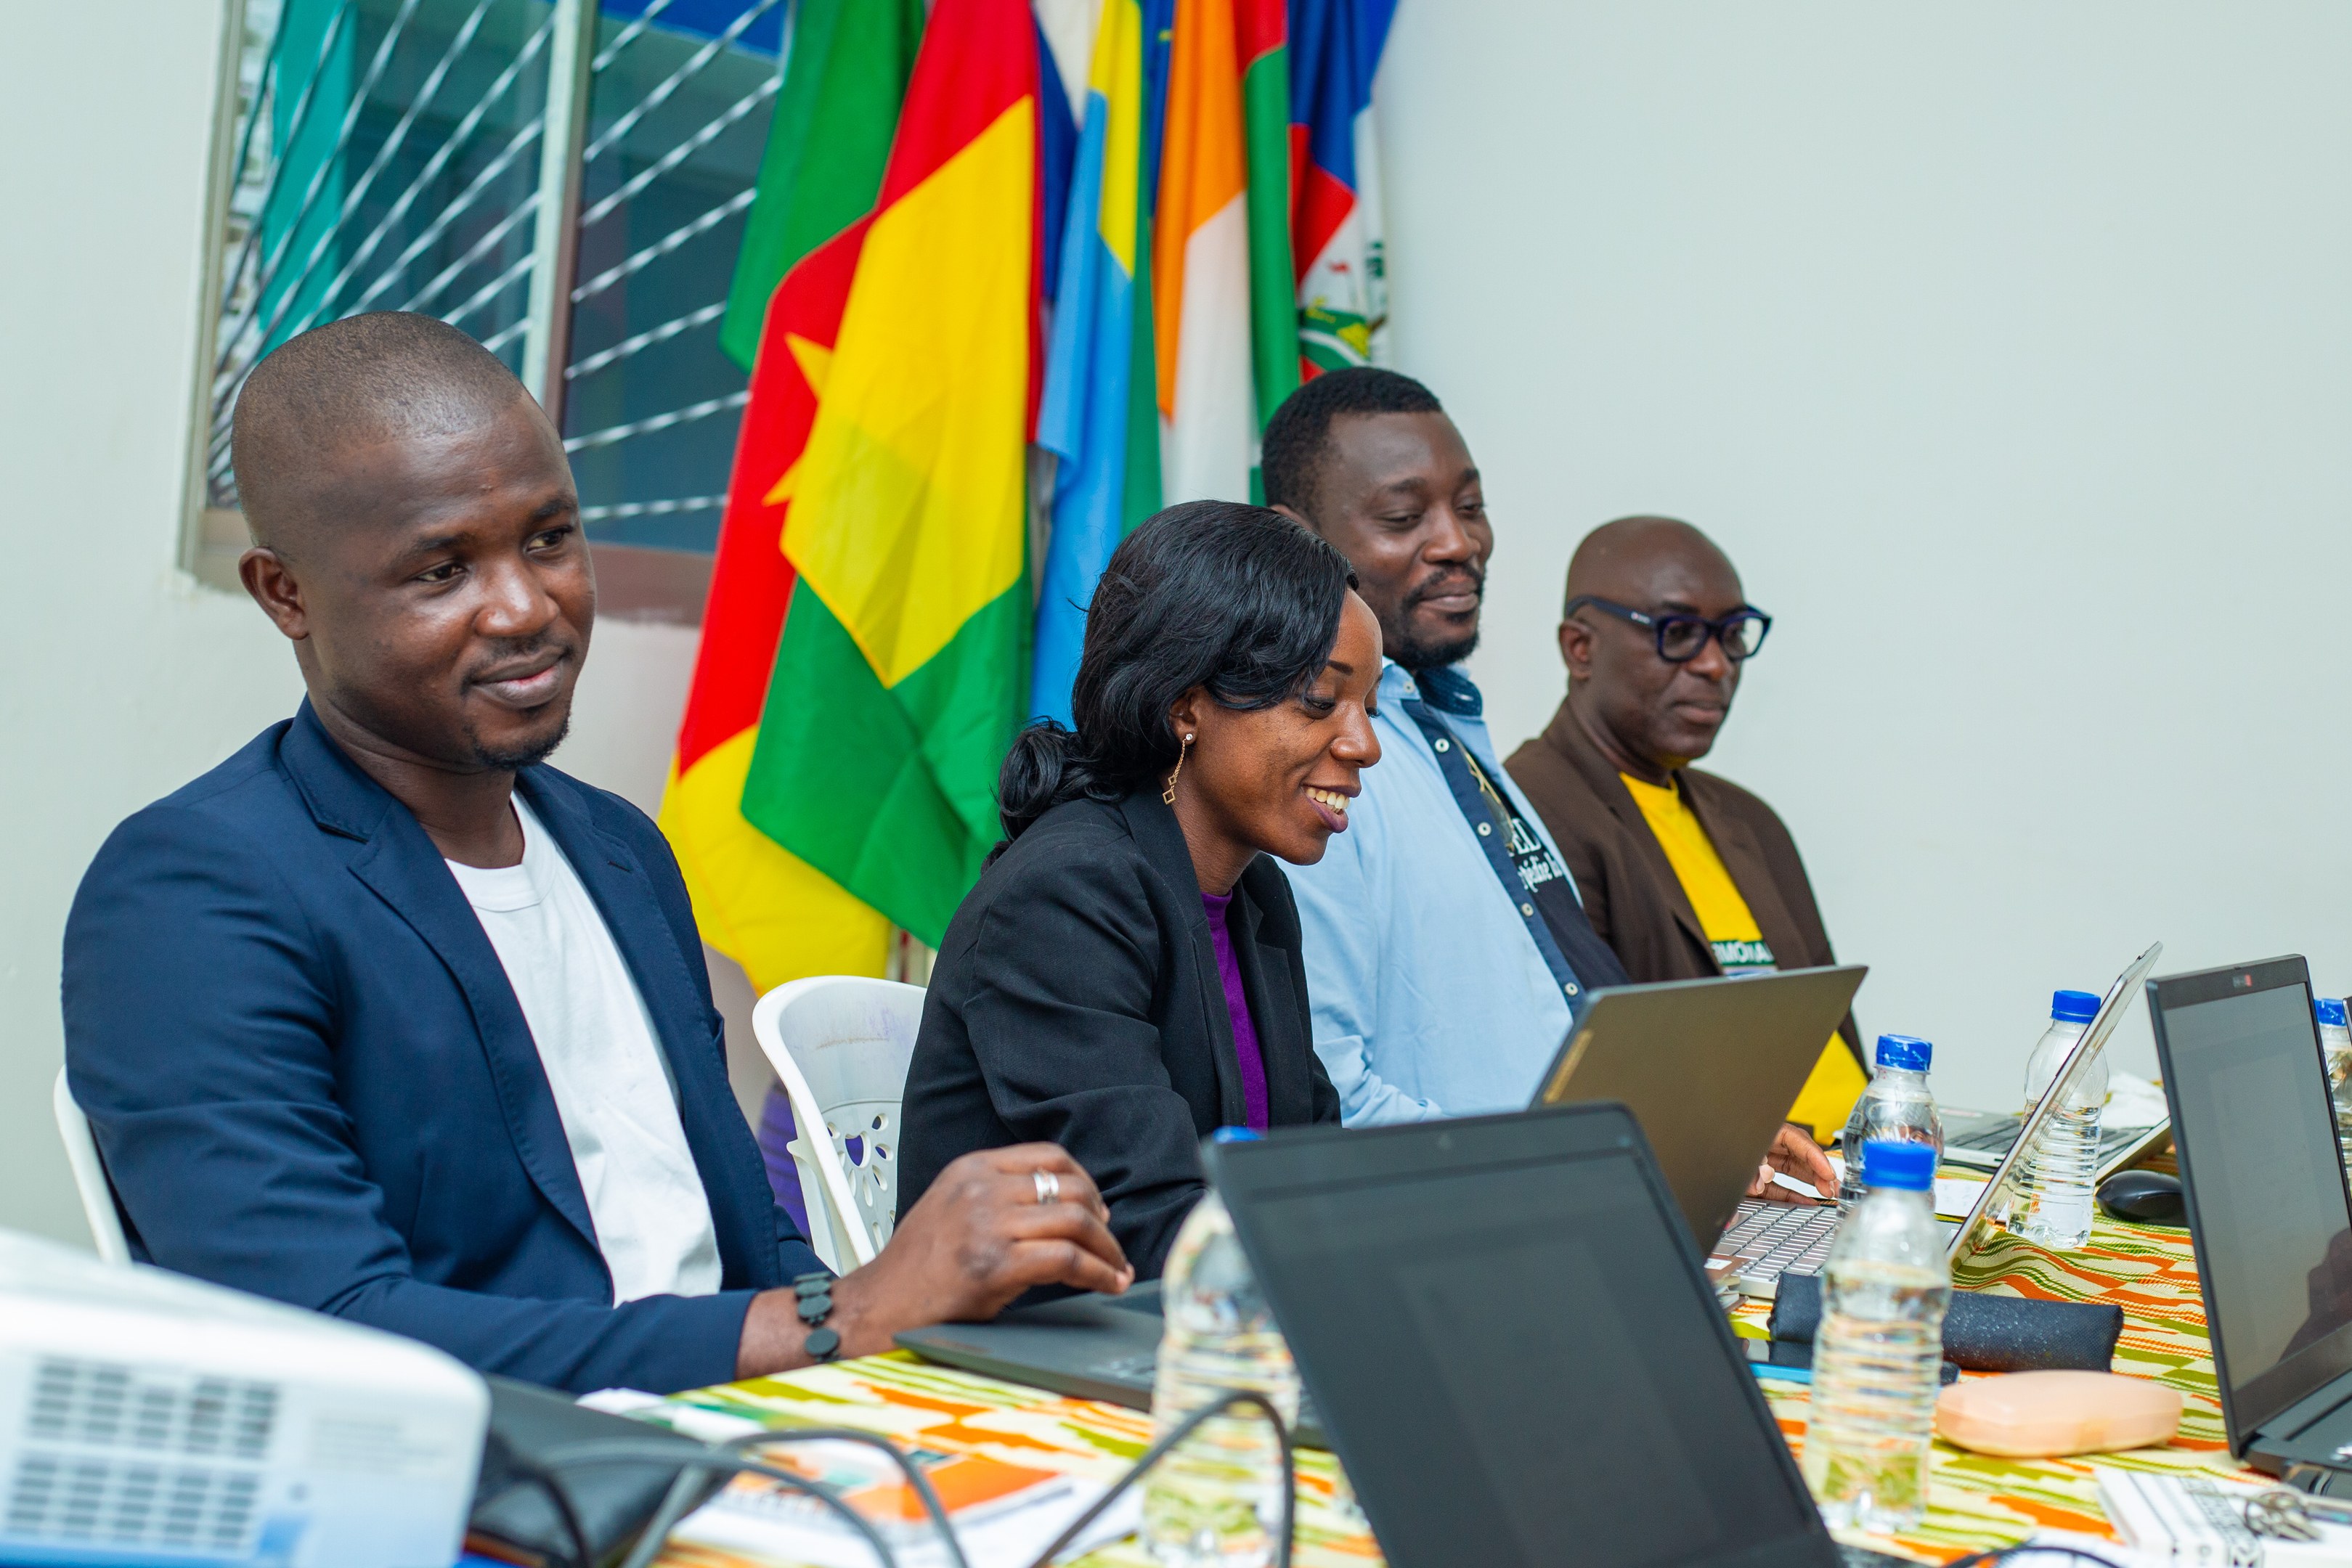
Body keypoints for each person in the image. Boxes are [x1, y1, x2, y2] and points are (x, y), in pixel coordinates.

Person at [60, 313, 1130, 1398]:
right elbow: (323, 1332)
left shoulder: (618, 850)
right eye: (442, 570)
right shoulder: (195, 894)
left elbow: (737, 1234)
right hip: (502, 1470)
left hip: (748, 1440)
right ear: (284, 593)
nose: (527, 608)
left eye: (548, 539)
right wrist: (836, 1318)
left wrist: (885, 1345)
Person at [1264, 369, 1834, 1202]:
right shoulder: (1314, 766)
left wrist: (1692, 1134)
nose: (1457, 542)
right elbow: (1330, 1100)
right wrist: (1566, 1177)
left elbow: (1544, 1033)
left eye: (1469, 506)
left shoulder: (1447, 731)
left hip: (1581, 1201)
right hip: (1484, 1222)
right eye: (1402, 517)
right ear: (1297, 539)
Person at [897, 504, 1362, 1280]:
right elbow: (1142, 1220)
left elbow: (1311, 1165)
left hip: (1213, 1319)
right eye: (1319, 700)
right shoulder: (1064, 895)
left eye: (1366, 708)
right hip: (1056, 1338)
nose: (1364, 744)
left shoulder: (1257, 896)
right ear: (1187, 706)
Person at [1504, 516, 1867, 1140]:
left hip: (1872, 1164)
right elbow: (1605, 1081)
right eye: (1677, 633)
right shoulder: (1527, 811)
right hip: (1743, 1180)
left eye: (1732, 635)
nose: (1714, 665)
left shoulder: (1751, 821)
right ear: (1579, 648)